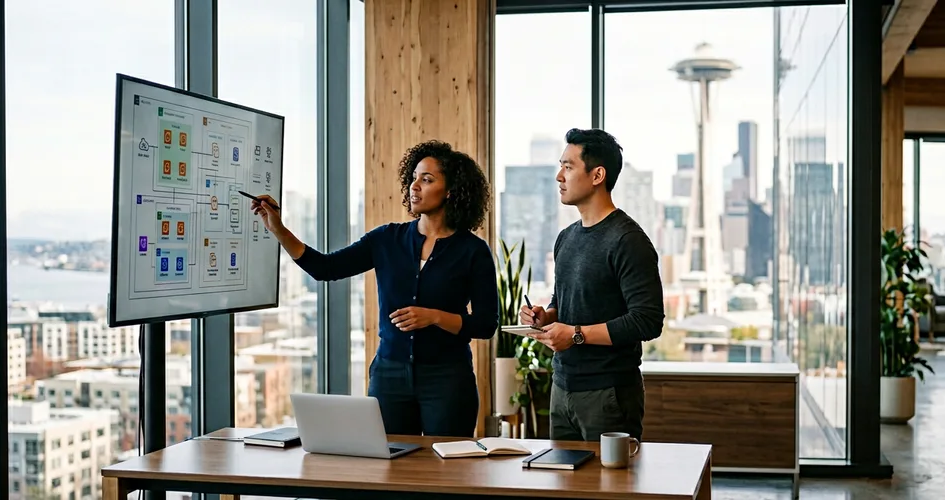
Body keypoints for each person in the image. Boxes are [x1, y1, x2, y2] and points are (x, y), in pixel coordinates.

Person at [251, 140, 498, 438]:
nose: (414, 186)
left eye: (427, 179)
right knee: (388, 470)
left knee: (446, 475)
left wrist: (435, 317)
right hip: (389, 376)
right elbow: (325, 268)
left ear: (451, 191)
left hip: (447, 379)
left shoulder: (473, 250)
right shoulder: (385, 239)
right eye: (414, 177)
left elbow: (485, 324)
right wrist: (277, 227)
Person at [518, 128, 664, 441]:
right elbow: (565, 303)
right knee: (565, 488)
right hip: (562, 388)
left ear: (597, 175)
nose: (559, 176)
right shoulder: (566, 238)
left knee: (610, 489)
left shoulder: (629, 241)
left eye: (568, 167)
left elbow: (647, 321)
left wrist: (576, 335)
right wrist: (545, 316)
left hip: (608, 394)